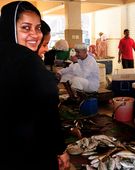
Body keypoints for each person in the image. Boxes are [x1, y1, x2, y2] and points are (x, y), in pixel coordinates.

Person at [0, 1, 70, 170]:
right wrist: (60, 149)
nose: (35, 34)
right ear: (10, 28)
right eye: (26, 28)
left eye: (38, 28)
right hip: (31, 151)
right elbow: (48, 112)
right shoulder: (28, 60)